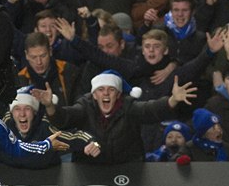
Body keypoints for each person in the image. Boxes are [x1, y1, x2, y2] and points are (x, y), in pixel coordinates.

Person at [32, 69, 197, 164]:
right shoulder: (85, 106)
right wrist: (49, 105)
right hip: (91, 170)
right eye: (100, 90)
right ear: (94, 95)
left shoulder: (129, 106)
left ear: (118, 94)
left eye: (110, 90)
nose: (105, 94)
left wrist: (173, 99)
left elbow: (151, 110)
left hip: (128, 169)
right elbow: (63, 119)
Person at [0, 86, 100, 168]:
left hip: (47, 179)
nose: (22, 114)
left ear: (34, 112)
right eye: (17, 109)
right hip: (10, 178)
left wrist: (92, 142)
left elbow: (74, 136)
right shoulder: (4, 125)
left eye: (27, 108)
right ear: (11, 112)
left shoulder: (45, 126)